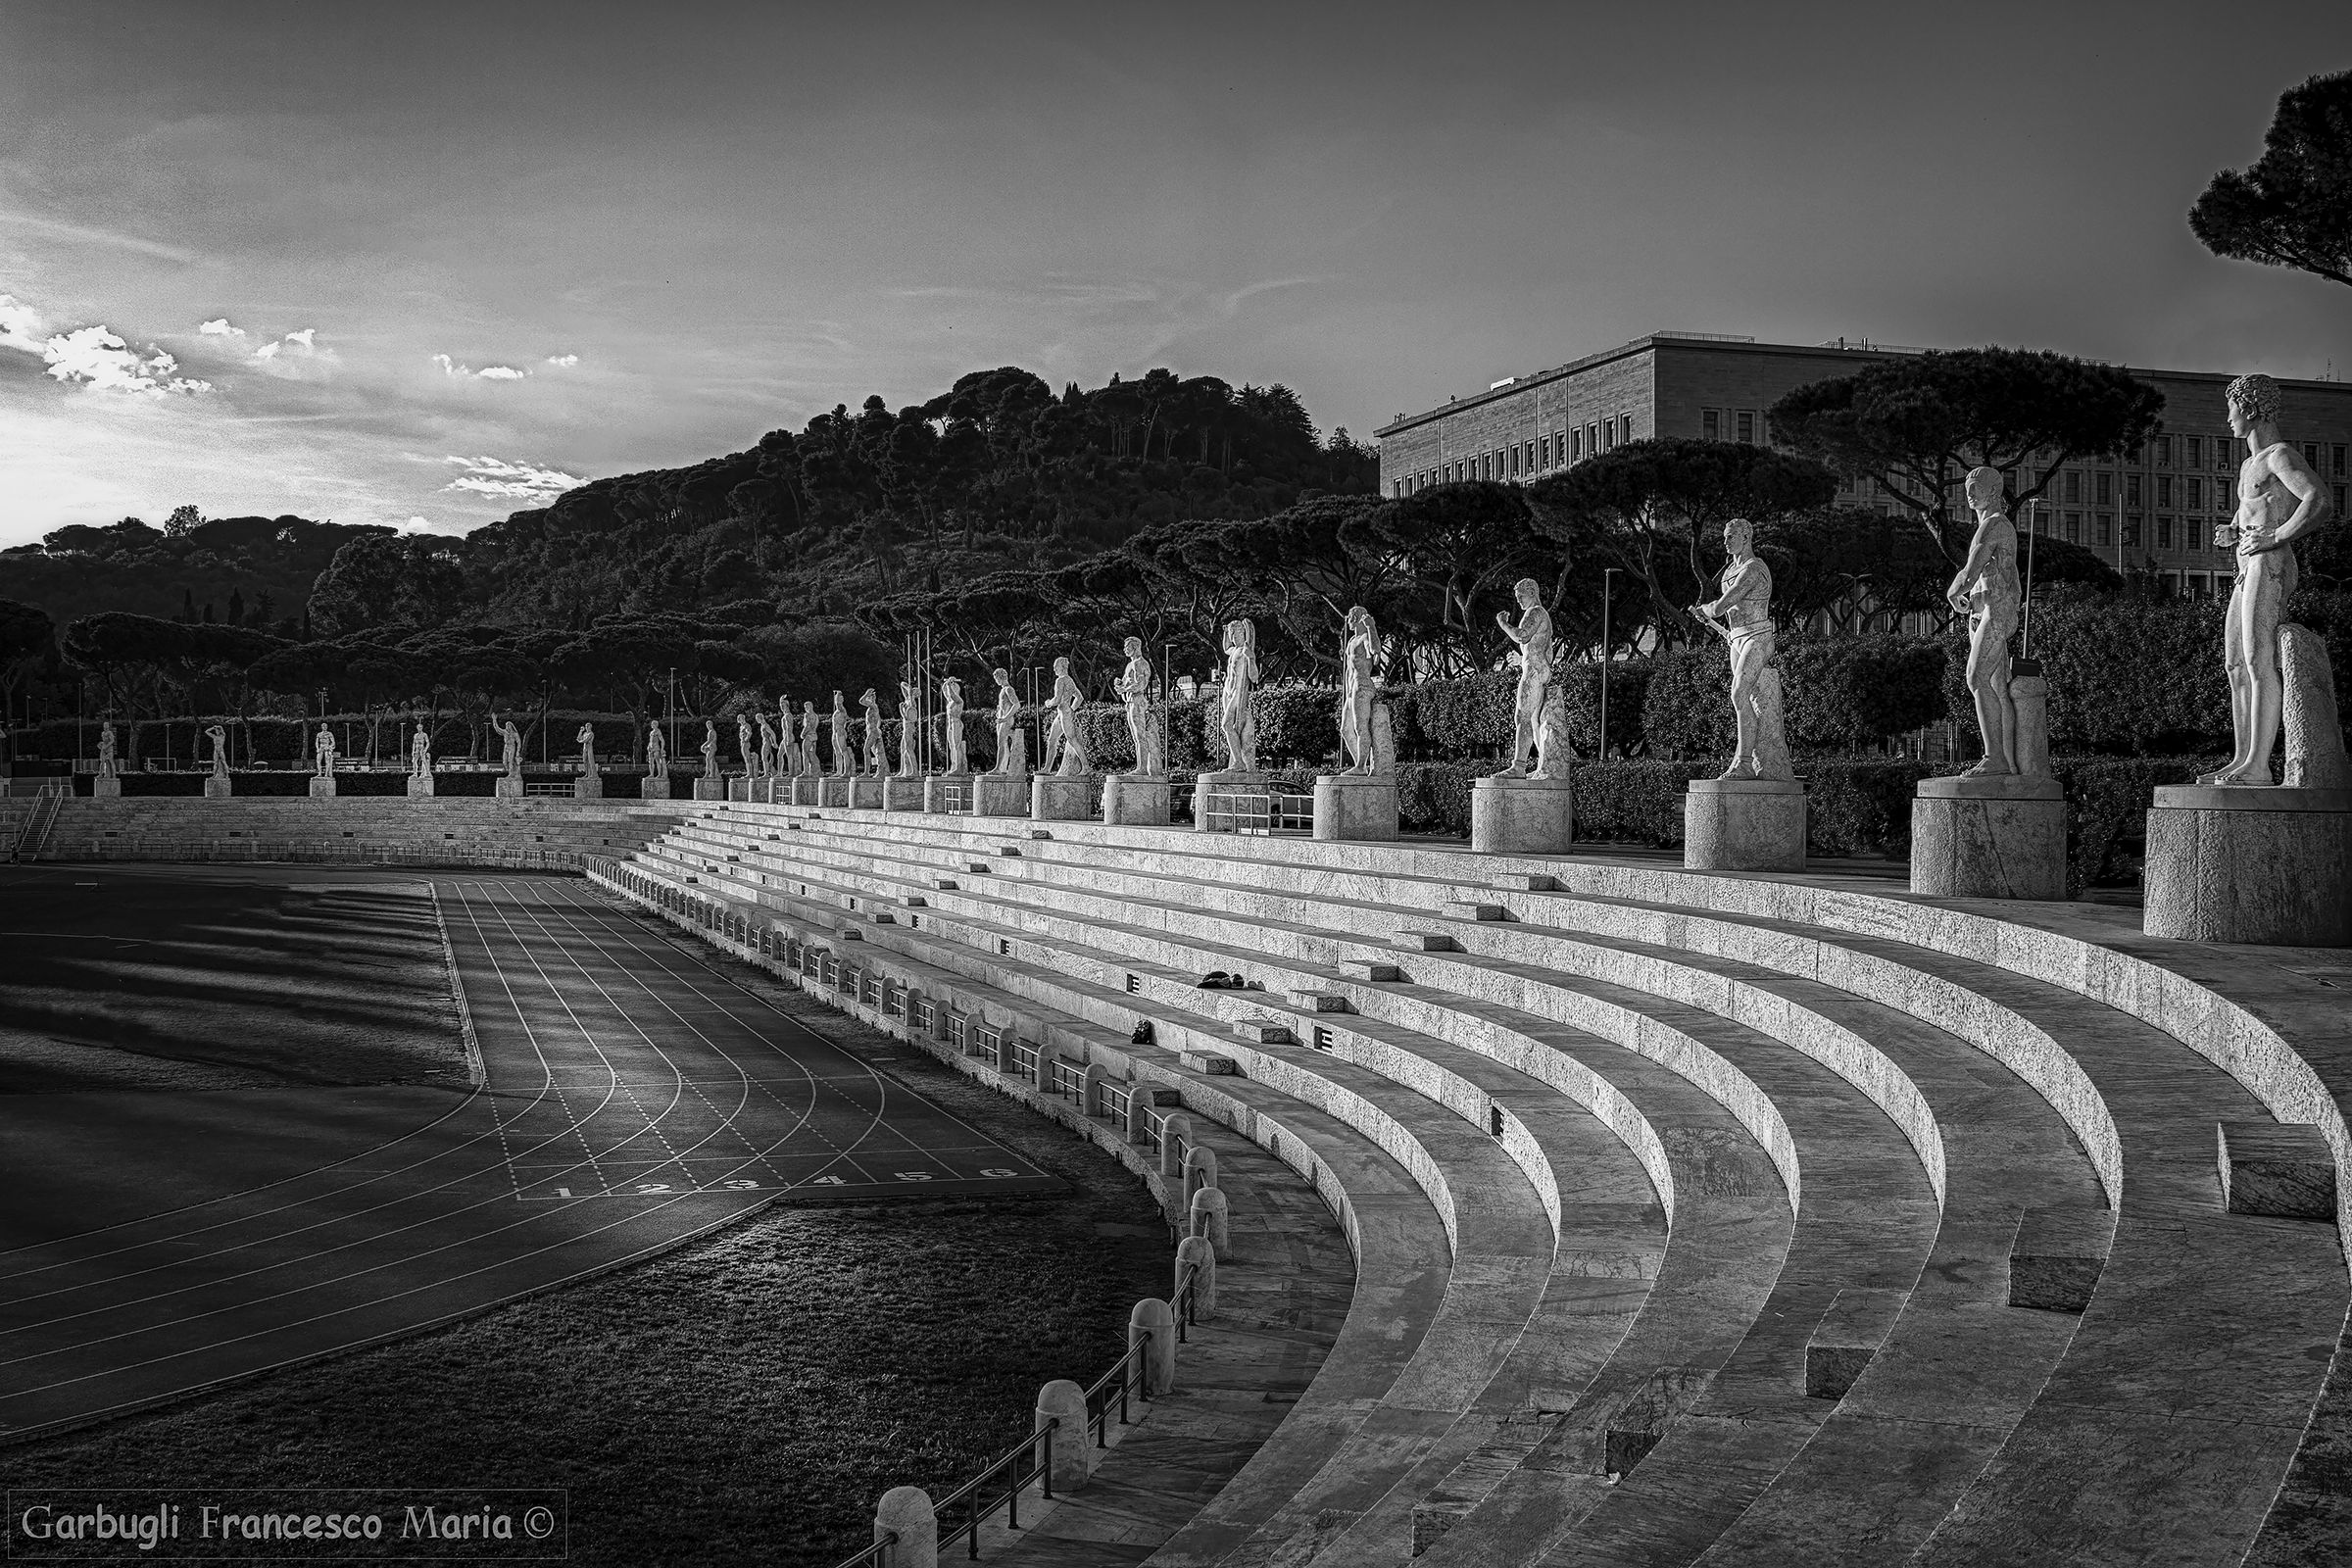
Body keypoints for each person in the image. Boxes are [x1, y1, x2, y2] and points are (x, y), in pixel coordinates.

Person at [2205, 373, 2334, 785]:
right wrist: (2232, 529)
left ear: (2250, 408)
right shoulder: (2248, 464)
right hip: (2247, 565)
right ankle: (2242, 758)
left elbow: (2320, 499)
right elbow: (2253, 509)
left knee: (2259, 660)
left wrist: (2277, 535)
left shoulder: (2280, 455)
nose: (2228, 418)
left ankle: (2259, 766)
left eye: (2231, 408)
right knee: (2234, 664)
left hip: (2271, 562)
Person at [1690, 517, 1782, 780]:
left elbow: (1719, 608)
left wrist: (1707, 610)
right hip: (1736, 638)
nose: (1726, 541)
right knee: (1742, 699)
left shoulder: (1754, 569)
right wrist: (1710, 612)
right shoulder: (1730, 571)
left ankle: (1743, 764)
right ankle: (1745, 758)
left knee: (1738, 694)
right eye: (1725, 537)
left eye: (1731, 536)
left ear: (1746, 537)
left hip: (1758, 637)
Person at [1944, 469, 2021, 776]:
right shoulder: (1990, 524)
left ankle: (1995, 759)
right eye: (1968, 489)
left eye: (1976, 488)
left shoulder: (1994, 525)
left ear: (1993, 491)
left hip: (1997, 609)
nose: (1969, 495)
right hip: (1983, 608)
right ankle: (2007, 761)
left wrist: (1952, 592)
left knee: (1976, 677)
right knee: (1996, 686)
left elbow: (1969, 572)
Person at [1494, 578, 1554, 777]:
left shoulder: (1535, 612)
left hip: (1535, 670)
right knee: (1535, 721)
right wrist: (1522, 660)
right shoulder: (1542, 615)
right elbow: (1545, 650)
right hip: (1537, 667)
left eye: (1521, 595)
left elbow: (1522, 636)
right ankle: (1541, 766)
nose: (1518, 600)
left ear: (1531, 592)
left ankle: (1518, 767)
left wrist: (1503, 624)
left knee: (1522, 716)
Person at [1337, 607, 1380, 775]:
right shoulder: (1351, 642)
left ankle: (1361, 766)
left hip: (1362, 685)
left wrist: (1371, 627)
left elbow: (1375, 653)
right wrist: (1346, 692)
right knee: (1345, 729)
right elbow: (1348, 670)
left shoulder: (1365, 638)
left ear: (1356, 618)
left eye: (1349, 618)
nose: (1347, 621)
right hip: (1351, 688)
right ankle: (1360, 764)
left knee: (1360, 727)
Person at [1115, 637, 1160, 777]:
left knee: (1140, 736)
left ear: (1134, 647)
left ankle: (1142, 768)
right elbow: (1127, 683)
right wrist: (1120, 685)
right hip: (1130, 702)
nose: (1125, 650)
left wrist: (1125, 688)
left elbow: (1141, 684)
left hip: (1137, 701)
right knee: (1136, 737)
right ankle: (1140, 766)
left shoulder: (1140, 663)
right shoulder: (1130, 665)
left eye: (1127, 647)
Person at [1218, 620, 1259, 773]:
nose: (1231, 637)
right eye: (1230, 634)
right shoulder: (1234, 650)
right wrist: (1224, 632)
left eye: (1233, 633)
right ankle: (1236, 760)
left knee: (1226, 725)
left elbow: (1254, 677)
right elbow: (1226, 648)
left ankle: (1238, 762)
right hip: (1228, 693)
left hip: (1238, 693)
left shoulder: (1245, 652)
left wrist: (1251, 658)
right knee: (1231, 727)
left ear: (1241, 633)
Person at [1044, 657, 1088, 776]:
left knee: (1072, 739)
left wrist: (1048, 703)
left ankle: (1086, 766)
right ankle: (1046, 769)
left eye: (1055, 667)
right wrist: (1071, 709)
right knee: (1052, 740)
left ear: (1061, 667)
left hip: (1064, 714)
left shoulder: (1061, 680)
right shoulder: (1070, 680)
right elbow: (1079, 697)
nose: (1054, 669)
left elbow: (1057, 700)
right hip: (1063, 713)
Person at [942, 676, 968, 774]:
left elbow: (952, 695)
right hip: (950, 724)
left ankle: (958, 767)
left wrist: (949, 685)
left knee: (956, 745)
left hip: (956, 723)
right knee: (951, 746)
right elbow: (946, 693)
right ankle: (953, 767)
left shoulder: (959, 700)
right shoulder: (949, 703)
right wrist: (946, 684)